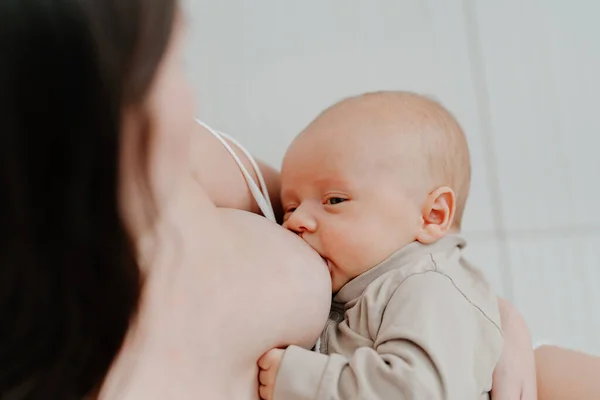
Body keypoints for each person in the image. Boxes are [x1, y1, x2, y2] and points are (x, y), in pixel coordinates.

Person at [0, 1, 537, 399]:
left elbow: (415, 272)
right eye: (167, 65)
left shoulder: (187, 160)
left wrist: (493, 319)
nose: (297, 219)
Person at [257, 92, 502, 399]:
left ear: (432, 215)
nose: (295, 221)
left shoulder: (427, 287)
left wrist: (303, 379)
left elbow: (418, 393)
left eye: (334, 200)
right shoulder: (365, 287)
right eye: (290, 207)